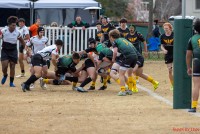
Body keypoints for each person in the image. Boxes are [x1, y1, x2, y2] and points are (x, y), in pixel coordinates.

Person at [109, 29, 138, 96]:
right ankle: (130, 90)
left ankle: (122, 90)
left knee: (121, 74)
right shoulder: (124, 39)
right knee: (129, 74)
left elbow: (115, 51)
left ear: (111, 37)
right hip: (135, 56)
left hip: (128, 56)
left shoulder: (115, 41)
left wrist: (113, 58)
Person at [0, 16, 26, 87]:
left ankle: (11, 82)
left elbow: (22, 41)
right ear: (9, 25)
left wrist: (25, 49)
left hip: (13, 50)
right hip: (5, 49)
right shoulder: (3, 31)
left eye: (15, 25)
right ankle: (5, 75)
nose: (15, 26)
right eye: (13, 25)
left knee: (12, 65)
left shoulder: (18, 32)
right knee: (4, 66)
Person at [186, 19, 200, 113]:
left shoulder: (192, 39)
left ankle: (194, 107)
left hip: (197, 62)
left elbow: (188, 55)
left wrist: (188, 67)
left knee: (196, 85)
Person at [160, 22, 174, 90]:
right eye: (164, 28)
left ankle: (178, 83)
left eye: (167, 28)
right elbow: (162, 45)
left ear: (170, 28)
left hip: (175, 53)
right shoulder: (162, 36)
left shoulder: (174, 35)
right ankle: (173, 84)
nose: (165, 30)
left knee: (177, 70)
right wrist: (163, 50)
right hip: (168, 54)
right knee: (170, 70)